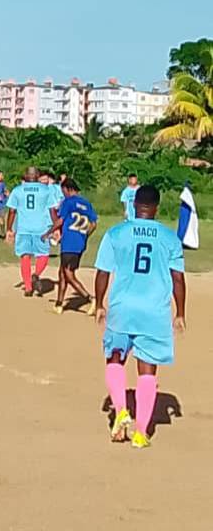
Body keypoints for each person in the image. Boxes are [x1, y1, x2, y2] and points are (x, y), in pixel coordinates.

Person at [94, 186, 186, 449]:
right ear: (157, 207)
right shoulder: (169, 238)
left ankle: (121, 409)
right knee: (147, 370)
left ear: (134, 204)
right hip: (154, 311)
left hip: (122, 308)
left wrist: (99, 304)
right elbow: (178, 278)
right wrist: (180, 312)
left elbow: (103, 272)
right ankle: (141, 433)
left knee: (114, 358)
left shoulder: (116, 233)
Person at [43, 178, 98, 315]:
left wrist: (48, 233)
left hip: (69, 243)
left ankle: (90, 299)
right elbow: (94, 224)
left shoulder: (68, 202)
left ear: (67, 189)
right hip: (79, 242)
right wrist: (85, 235)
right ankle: (59, 304)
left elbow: (60, 221)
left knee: (68, 274)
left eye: (63, 191)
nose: (63, 194)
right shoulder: (86, 203)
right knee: (62, 272)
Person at [6, 166, 57, 297]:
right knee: (43, 254)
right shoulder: (46, 190)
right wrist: (57, 227)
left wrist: (9, 229)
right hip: (41, 228)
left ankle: (28, 287)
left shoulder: (17, 190)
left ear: (26, 176)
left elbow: (12, 211)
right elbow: (52, 211)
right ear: (38, 176)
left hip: (23, 229)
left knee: (25, 256)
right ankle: (36, 274)